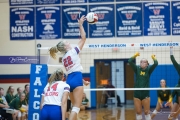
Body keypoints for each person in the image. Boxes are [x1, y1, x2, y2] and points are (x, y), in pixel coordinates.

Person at [49, 15, 89, 120]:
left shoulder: (63, 59)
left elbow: (73, 70)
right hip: (76, 78)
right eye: (67, 42)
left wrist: (83, 81)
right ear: (65, 47)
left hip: (69, 80)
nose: (69, 42)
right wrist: (80, 25)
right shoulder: (73, 51)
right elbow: (84, 38)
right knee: (76, 107)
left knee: (73, 107)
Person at [128, 52, 158, 120]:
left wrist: (153, 58)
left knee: (147, 112)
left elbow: (156, 63)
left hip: (145, 94)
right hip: (137, 94)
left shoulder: (149, 70)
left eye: (144, 62)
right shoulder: (137, 69)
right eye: (141, 61)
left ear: (147, 64)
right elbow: (129, 61)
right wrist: (135, 55)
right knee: (138, 112)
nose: (142, 63)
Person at [168, 46, 180, 120]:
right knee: (172, 115)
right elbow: (172, 59)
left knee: (175, 114)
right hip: (178, 90)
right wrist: (171, 49)